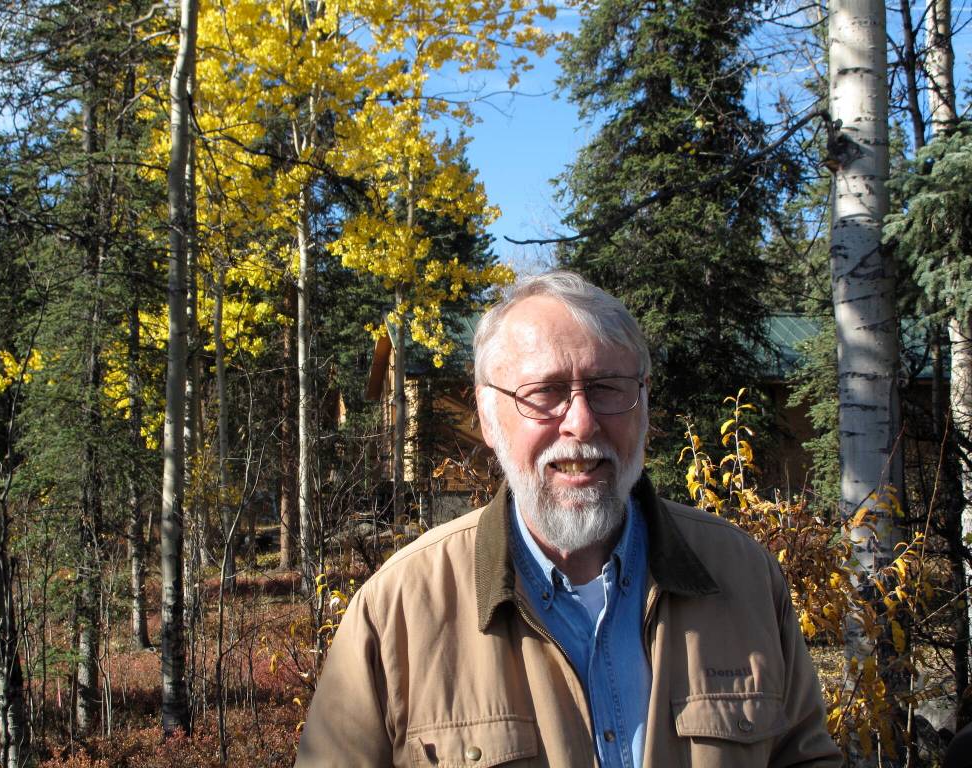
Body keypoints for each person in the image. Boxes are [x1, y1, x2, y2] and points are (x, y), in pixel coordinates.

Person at [296, 271, 841, 767]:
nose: (581, 422)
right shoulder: (399, 610)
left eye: (607, 389)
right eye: (545, 393)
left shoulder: (742, 575)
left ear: (644, 402)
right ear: (489, 416)